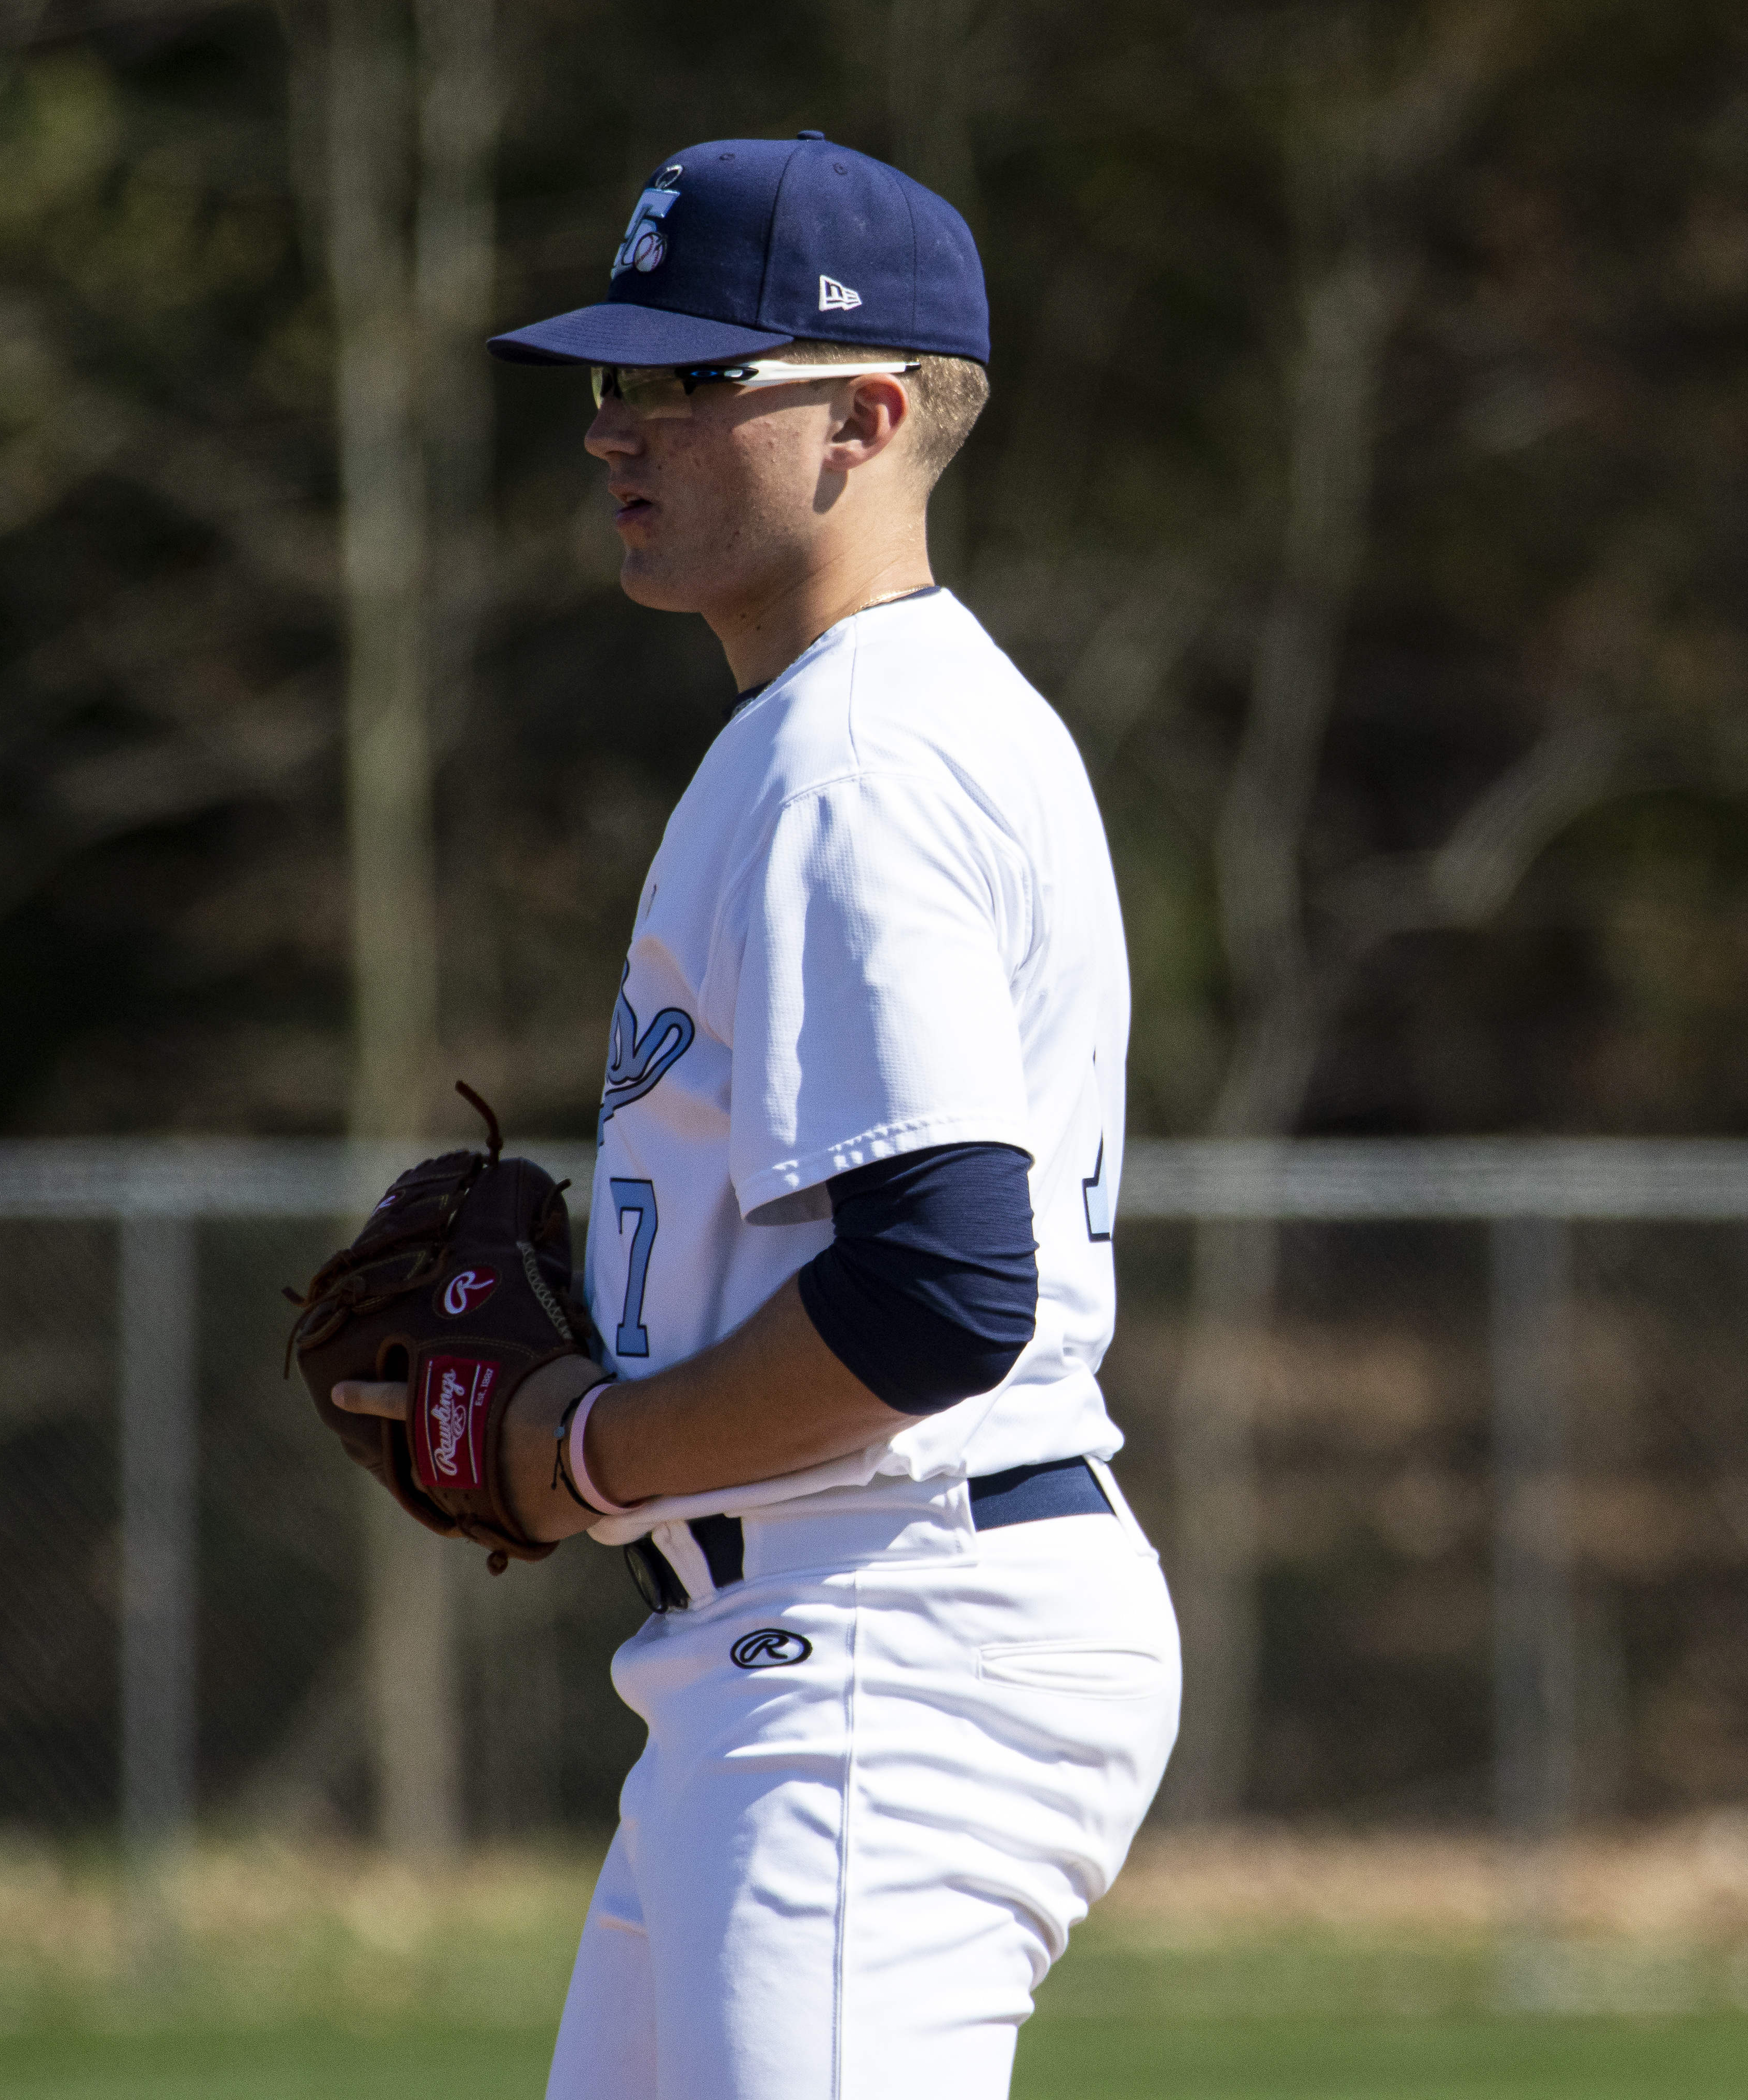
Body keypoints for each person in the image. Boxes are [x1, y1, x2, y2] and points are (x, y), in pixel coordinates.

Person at [478, 133, 1174, 2100]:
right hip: (812, 1634)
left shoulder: (853, 759)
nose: (620, 429)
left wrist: (583, 1454)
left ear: (866, 418)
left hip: (885, 1633)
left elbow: (944, 1294)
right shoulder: (864, 726)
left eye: (691, 382)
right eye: (611, 380)